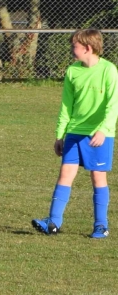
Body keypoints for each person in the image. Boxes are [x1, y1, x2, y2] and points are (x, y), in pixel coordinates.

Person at [34, 27, 118, 237]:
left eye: (75, 46)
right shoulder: (72, 71)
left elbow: (113, 105)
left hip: (99, 135)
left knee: (98, 177)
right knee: (65, 174)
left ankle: (101, 226)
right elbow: (66, 105)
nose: (72, 49)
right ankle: (53, 222)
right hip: (74, 132)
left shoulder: (109, 70)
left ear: (88, 48)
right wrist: (60, 135)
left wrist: (103, 130)